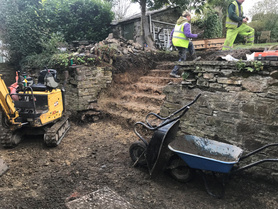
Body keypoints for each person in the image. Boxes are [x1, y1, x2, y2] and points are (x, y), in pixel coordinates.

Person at [169, 11, 202, 78]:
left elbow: (171, 33)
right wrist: (197, 35)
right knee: (183, 58)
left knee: (190, 43)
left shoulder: (178, 24)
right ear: (187, 17)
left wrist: (170, 42)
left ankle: (194, 58)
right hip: (181, 42)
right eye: (190, 17)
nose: (190, 18)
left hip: (176, 42)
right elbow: (187, 35)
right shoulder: (186, 24)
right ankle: (173, 72)